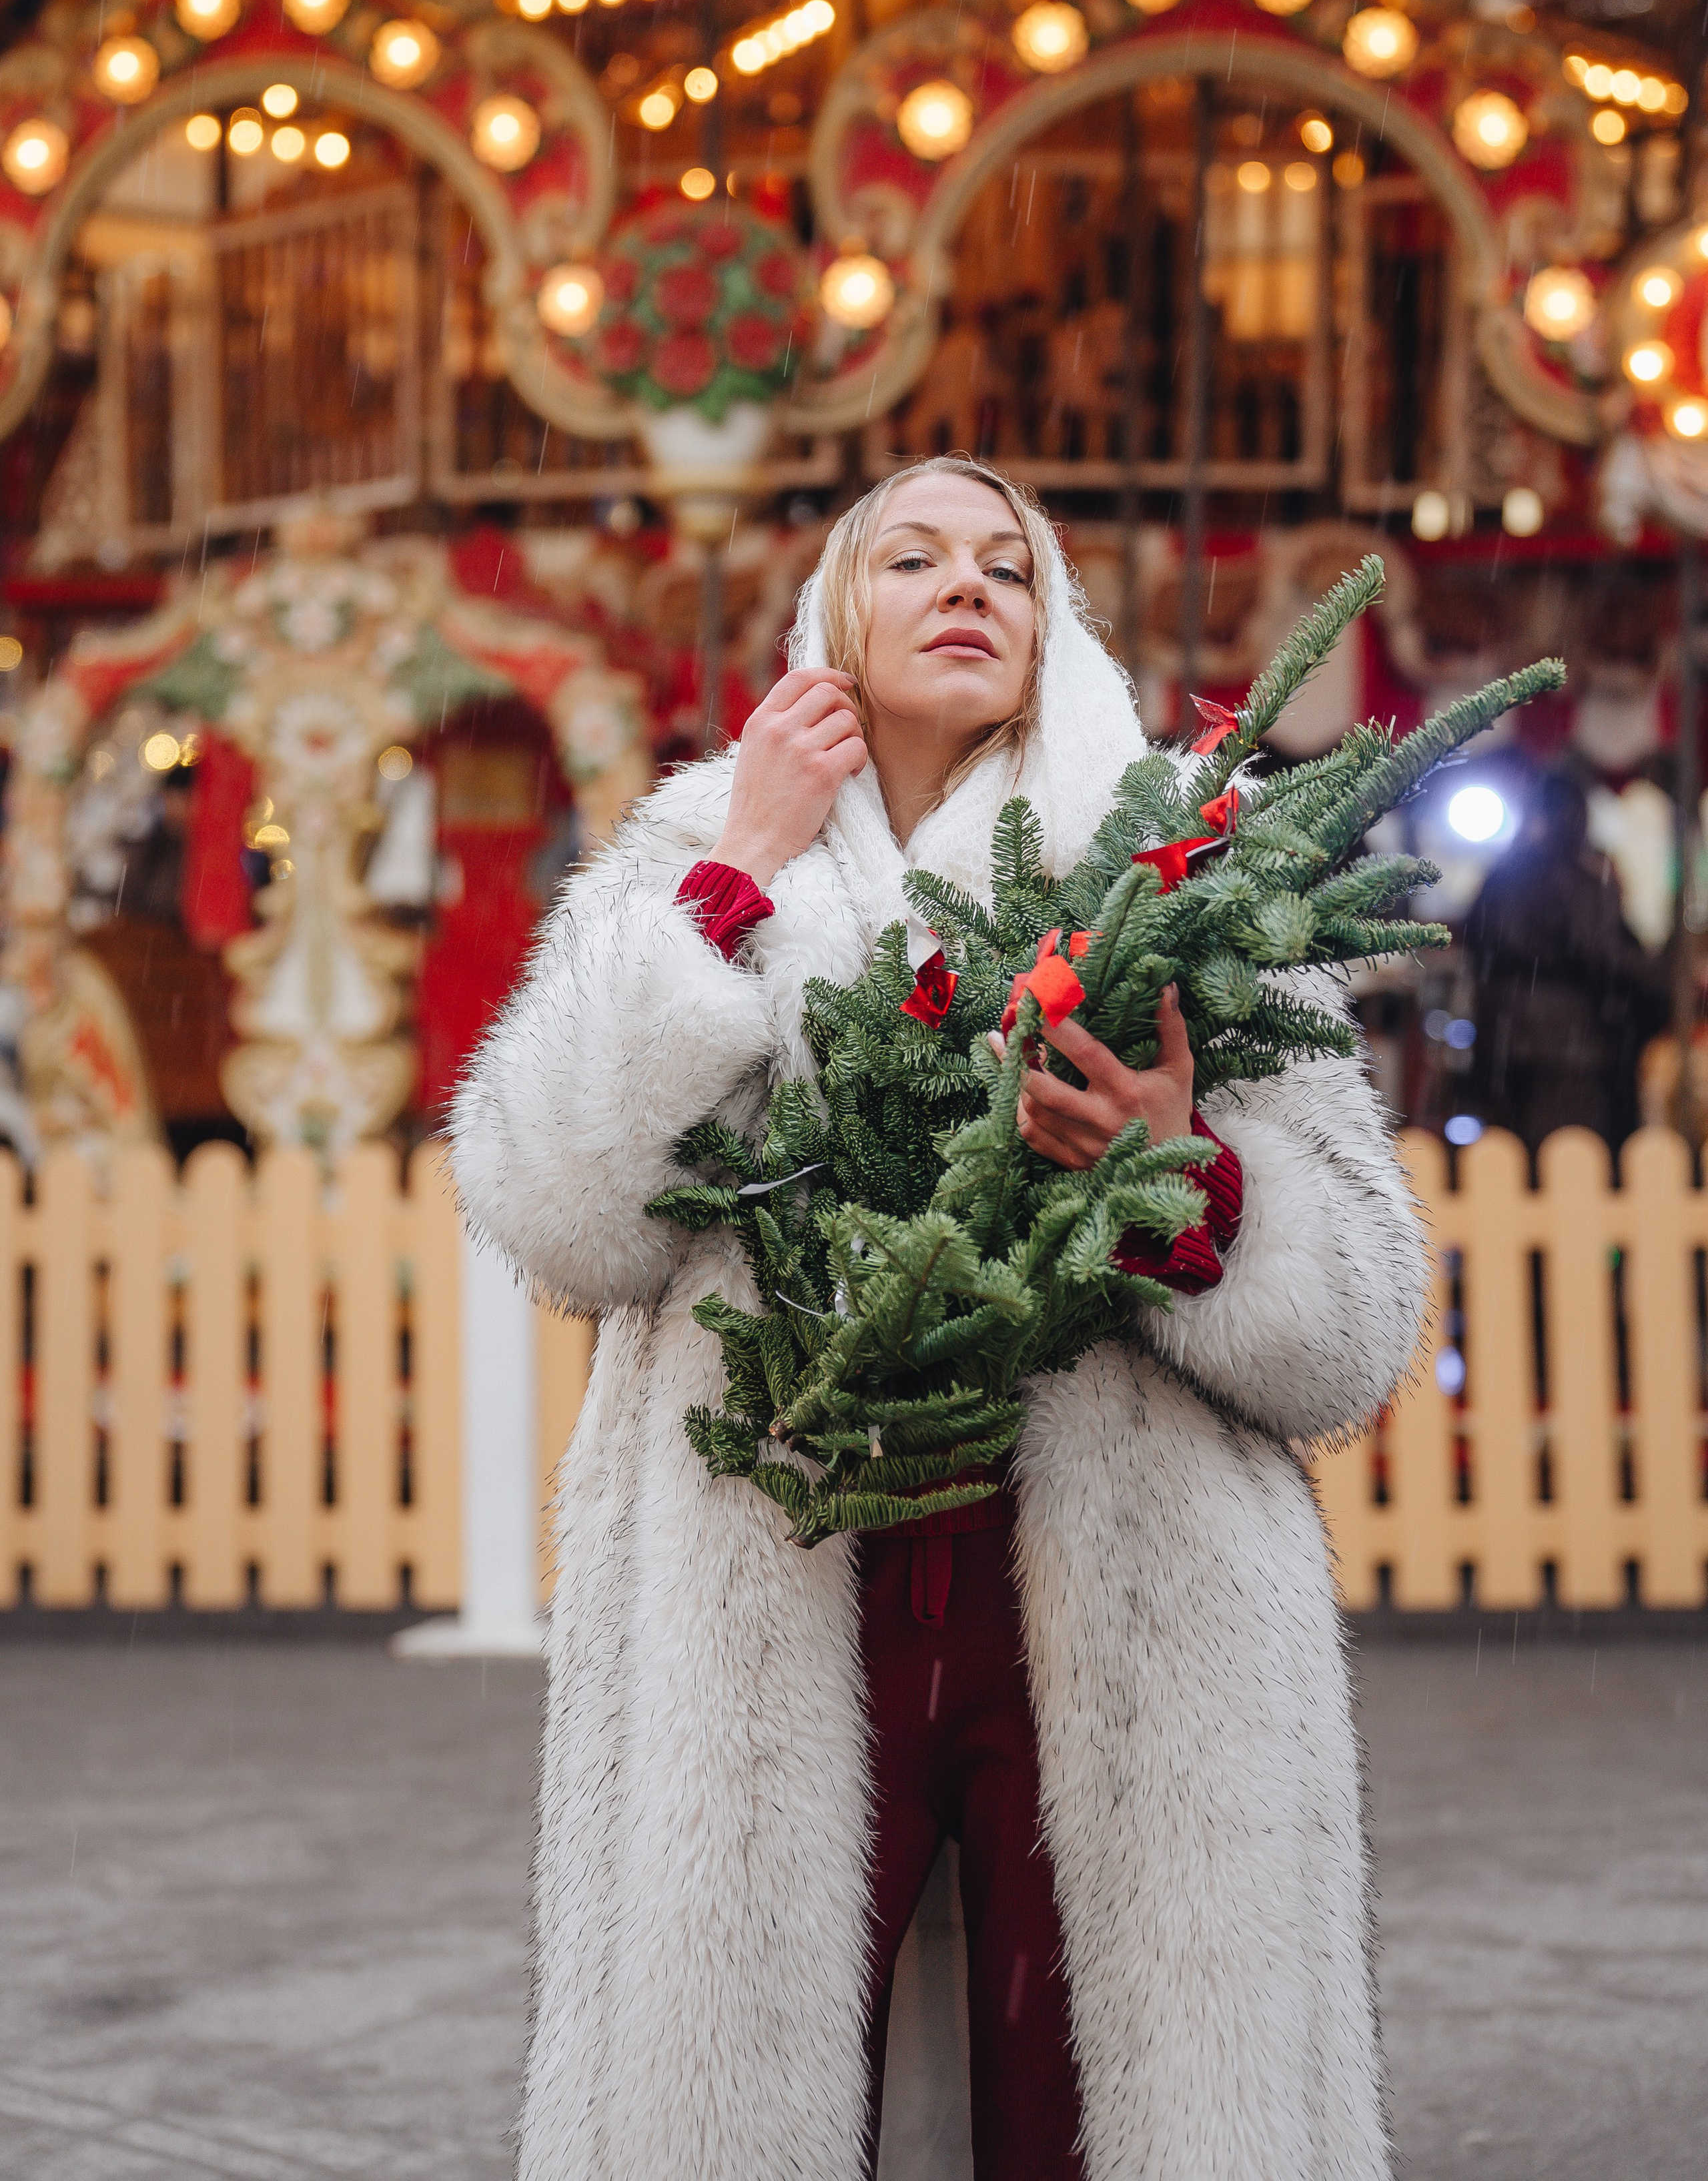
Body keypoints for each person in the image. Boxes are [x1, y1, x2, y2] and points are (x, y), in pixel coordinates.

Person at [452, 456, 1428, 2181]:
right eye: (913, 560)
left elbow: (1352, 1317)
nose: (967, 587)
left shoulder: (1182, 876)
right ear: (840, 617)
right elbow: (547, 1204)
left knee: (1093, 2108)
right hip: (774, 1569)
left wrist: (1185, 1185)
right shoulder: (685, 855)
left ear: (1049, 630)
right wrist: (736, 880)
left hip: (1119, 1593)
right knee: (751, 2105)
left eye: (1008, 566)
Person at [1464, 766, 1671, 1154]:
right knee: (1568, 1163)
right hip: (1567, 1050)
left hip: (1504, 1043)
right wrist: (1665, 977)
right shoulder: (1577, 880)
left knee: (1509, 1163)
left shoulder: (1500, 877)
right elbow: (1603, 955)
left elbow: (1472, 943)